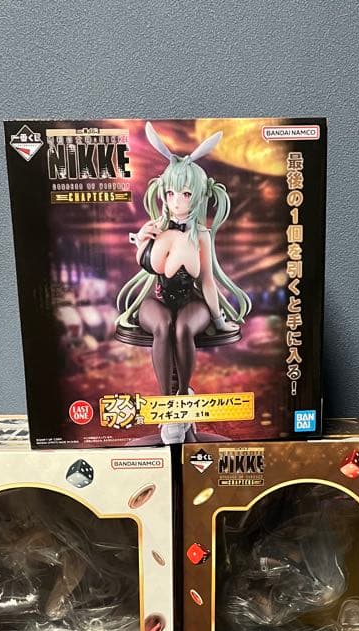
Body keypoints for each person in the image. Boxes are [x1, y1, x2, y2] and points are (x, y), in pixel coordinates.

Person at [116, 122, 251, 443]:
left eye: (186, 194)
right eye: (171, 193)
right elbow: (145, 266)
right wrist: (142, 242)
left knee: (182, 328)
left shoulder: (201, 235)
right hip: (158, 298)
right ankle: (170, 408)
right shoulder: (156, 228)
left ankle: (182, 398)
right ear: (163, 194)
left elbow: (208, 281)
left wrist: (218, 318)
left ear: (198, 196)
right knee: (163, 326)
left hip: (192, 301)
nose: (177, 201)